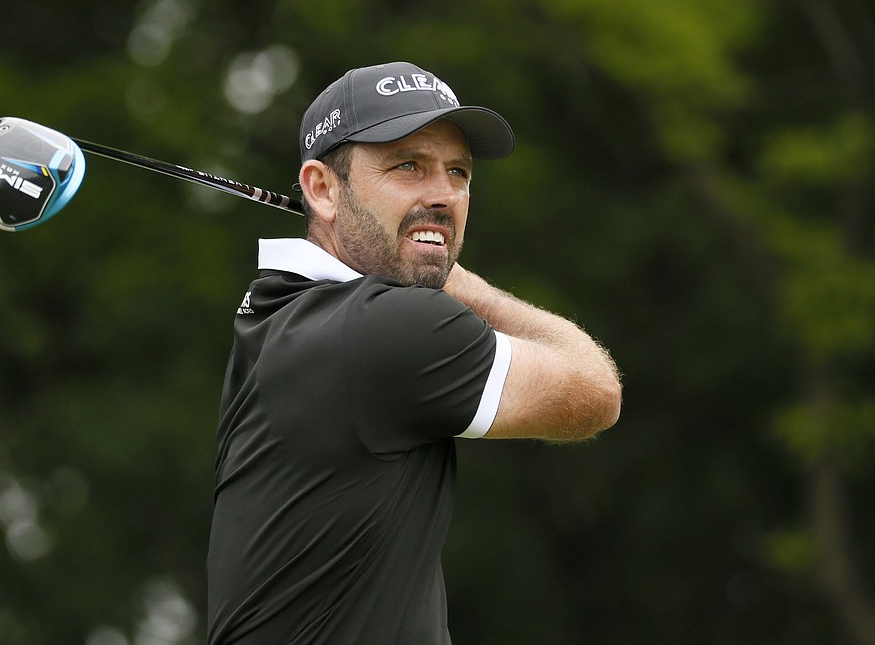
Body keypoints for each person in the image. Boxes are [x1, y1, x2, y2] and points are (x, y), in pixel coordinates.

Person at [205, 61, 622, 644]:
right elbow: (594, 391)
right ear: (322, 190)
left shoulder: (277, 312)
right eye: (408, 166)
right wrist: (463, 283)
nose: (443, 196)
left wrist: (426, 260)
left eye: (458, 172)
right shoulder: (385, 327)